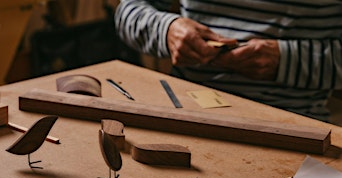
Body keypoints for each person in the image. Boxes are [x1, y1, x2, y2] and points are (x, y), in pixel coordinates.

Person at [115, 0, 342, 122]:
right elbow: (129, 10)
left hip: (293, 125)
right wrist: (166, 30)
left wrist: (287, 60)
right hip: (185, 114)